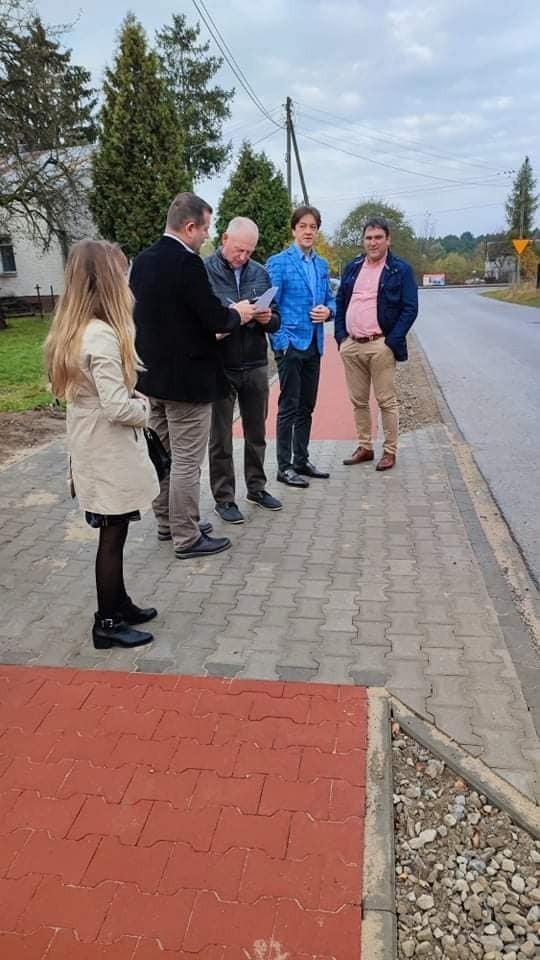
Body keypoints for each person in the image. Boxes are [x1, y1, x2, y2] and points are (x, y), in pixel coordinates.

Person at [44, 240, 160, 650]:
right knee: (112, 534)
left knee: (117, 528)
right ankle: (107, 621)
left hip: (90, 441)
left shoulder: (74, 329)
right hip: (107, 446)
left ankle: (119, 602)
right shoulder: (102, 335)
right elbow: (115, 405)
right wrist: (142, 407)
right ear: (108, 279)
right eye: (121, 272)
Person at [130, 192, 256, 559]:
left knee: (164, 457)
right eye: (204, 229)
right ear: (189, 227)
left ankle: (169, 523)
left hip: (151, 379)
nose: (207, 237)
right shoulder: (188, 263)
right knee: (186, 461)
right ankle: (187, 536)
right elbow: (213, 319)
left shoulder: (143, 261)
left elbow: (156, 319)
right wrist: (239, 313)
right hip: (187, 382)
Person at [204, 217, 282, 524]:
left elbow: (277, 320)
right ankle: (224, 498)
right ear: (224, 238)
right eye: (239, 250)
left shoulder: (260, 273)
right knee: (220, 436)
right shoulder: (204, 271)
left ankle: (257, 487)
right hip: (220, 364)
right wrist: (231, 315)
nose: (243, 257)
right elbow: (201, 318)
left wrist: (266, 319)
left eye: (249, 251)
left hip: (255, 363)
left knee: (257, 432)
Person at [335, 216, 418, 471]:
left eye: (378, 237)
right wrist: (341, 337)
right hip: (352, 345)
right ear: (363, 240)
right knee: (358, 400)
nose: (373, 243)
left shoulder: (400, 270)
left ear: (388, 239)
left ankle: (390, 451)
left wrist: (391, 341)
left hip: (380, 345)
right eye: (369, 238)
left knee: (386, 401)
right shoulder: (353, 266)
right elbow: (340, 301)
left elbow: (410, 308)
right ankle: (365, 446)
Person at [266, 205, 336, 488]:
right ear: (294, 229)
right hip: (290, 345)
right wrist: (281, 343)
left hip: (314, 344)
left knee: (307, 405)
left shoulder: (321, 265)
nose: (308, 231)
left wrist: (328, 313)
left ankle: (301, 460)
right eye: (303, 226)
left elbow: (331, 300)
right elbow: (269, 305)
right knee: (289, 405)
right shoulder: (279, 262)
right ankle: (284, 467)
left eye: (313, 227)